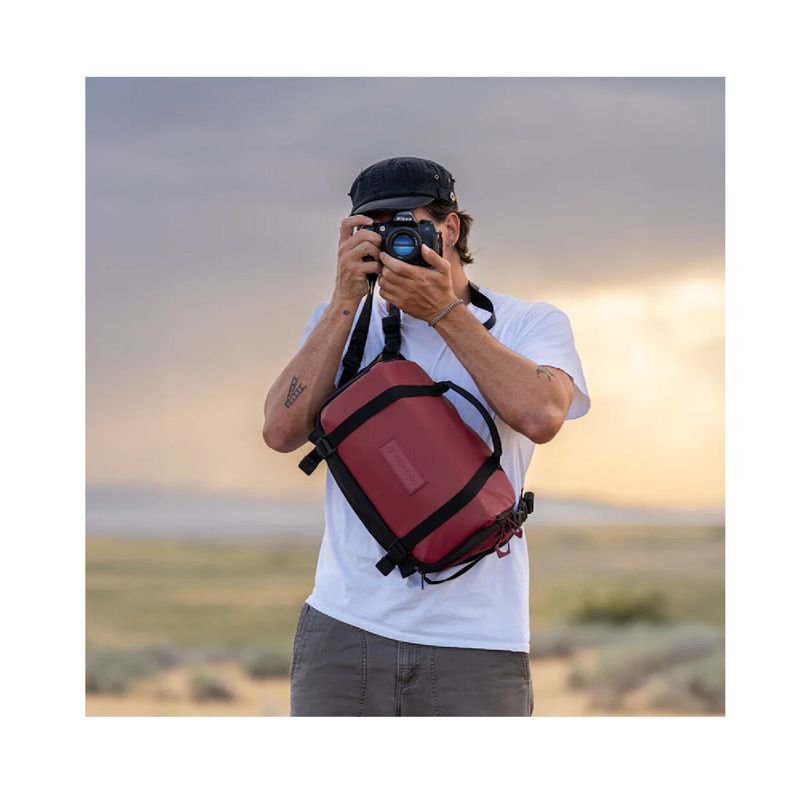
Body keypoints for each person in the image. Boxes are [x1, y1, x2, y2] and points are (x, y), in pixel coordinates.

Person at [262, 156, 591, 716]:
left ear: (451, 228)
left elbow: (543, 415)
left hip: (476, 639)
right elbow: (279, 430)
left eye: (404, 224)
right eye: (371, 229)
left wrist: (444, 312)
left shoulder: (527, 323)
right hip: (344, 627)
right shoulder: (341, 321)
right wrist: (344, 301)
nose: (391, 242)